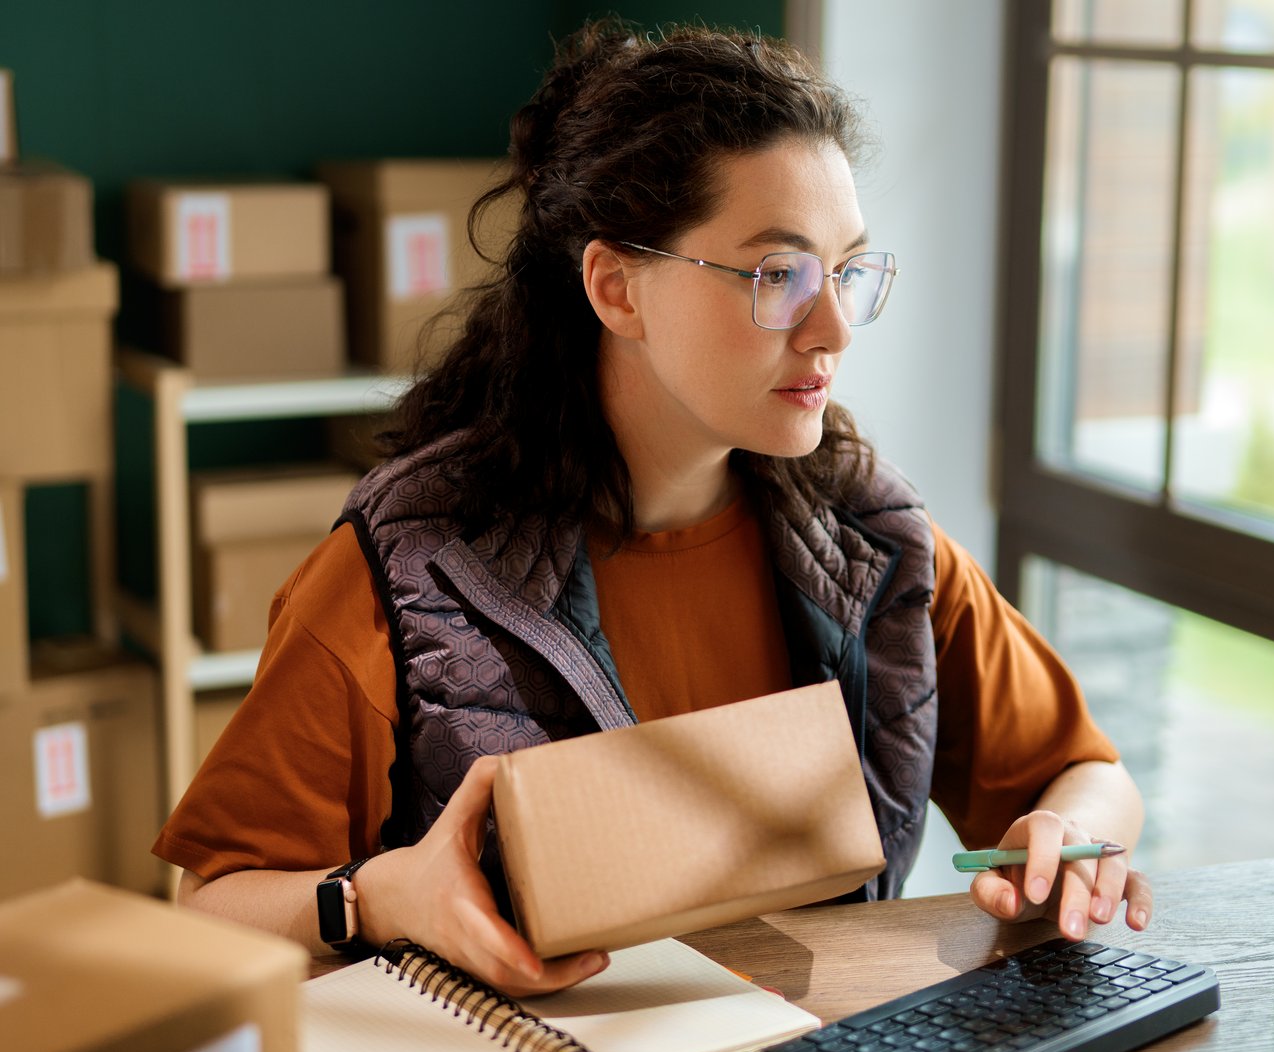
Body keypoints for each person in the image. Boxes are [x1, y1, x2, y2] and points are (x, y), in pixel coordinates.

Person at [153, 19, 1152, 997]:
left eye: (844, 269)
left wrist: (1067, 841)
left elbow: (1082, 774)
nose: (833, 327)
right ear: (615, 289)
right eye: (777, 275)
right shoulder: (406, 573)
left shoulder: (870, 543)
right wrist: (380, 899)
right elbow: (207, 908)